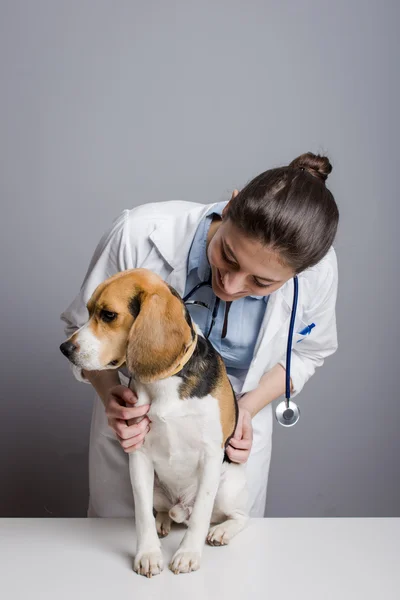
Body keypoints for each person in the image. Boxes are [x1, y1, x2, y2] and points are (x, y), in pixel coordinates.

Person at [60, 151, 339, 519]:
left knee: (225, 567)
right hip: (140, 437)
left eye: (261, 282)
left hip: (224, 453)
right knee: (124, 560)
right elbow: (81, 331)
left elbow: (307, 353)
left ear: (298, 273)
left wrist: (247, 408)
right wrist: (110, 393)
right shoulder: (139, 234)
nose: (231, 283)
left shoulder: (317, 274)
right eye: (228, 255)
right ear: (230, 206)